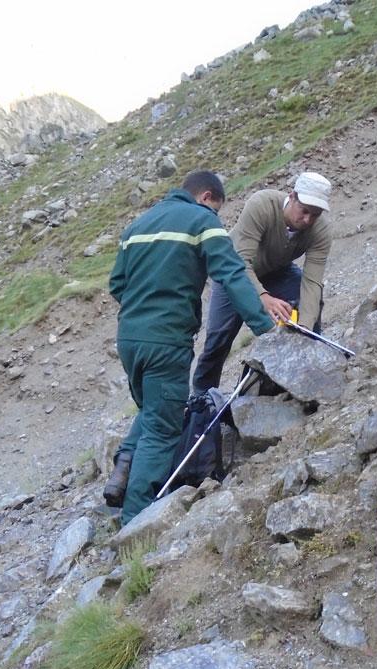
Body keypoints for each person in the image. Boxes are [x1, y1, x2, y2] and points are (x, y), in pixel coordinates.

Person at [104, 170, 276, 524]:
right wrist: (265, 327)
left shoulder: (137, 226)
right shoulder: (202, 221)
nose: (216, 216)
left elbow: (117, 285)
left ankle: (124, 461)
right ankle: (134, 521)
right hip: (167, 340)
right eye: (217, 208)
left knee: (153, 410)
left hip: (129, 340)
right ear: (207, 196)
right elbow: (230, 275)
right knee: (163, 430)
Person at [191, 171, 333, 394]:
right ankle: (201, 400)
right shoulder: (262, 205)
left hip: (277, 271)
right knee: (218, 340)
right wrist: (263, 297)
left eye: (314, 215)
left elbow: (312, 282)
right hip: (233, 272)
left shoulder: (321, 230)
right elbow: (241, 261)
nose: (307, 220)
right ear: (292, 196)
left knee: (306, 305)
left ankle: (307, 369)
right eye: (304, 211)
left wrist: (305, 328)